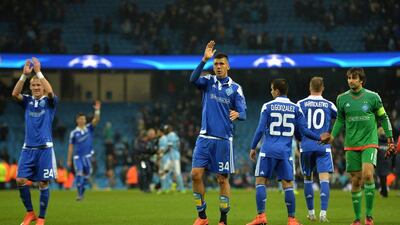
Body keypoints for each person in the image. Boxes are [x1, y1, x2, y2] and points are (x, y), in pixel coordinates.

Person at [246, 78, 330, 225]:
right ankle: (291, 219)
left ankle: (261, 217)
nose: (271, 92)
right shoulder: (295, 108)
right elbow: (302, 131)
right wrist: (319, 137)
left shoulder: (267, 106)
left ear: (277, 91)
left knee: (260, 181)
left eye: (272, 89)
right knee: (288, 184)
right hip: (285, 152)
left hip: (268, 150)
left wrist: (253, 147)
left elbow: (260, 129)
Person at [327, 68, 395, 225]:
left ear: (361, 80)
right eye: (349, 78)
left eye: (354, 78)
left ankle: (369, 217)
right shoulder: (342, 99)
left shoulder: (373, 97)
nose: (350, 80)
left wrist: (390, 138)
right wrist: (332, 136)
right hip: (351, 144)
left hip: (369, 141)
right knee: (356, 181)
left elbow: (383, 118)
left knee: (368, 175)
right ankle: (357, 219)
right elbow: (340, 120)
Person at [190, 40, 247, 225]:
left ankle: (223, 219)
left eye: (221, 63)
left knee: (222, 179)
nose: (218, 67)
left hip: (223, 139)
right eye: (215, 64)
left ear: (228, 66)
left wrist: (238, 113)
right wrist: (203, 60)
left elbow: (244, 113)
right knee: (195, 175)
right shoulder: (208, 81)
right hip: (204, 137)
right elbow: (192, 80)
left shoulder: (235, 88)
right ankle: (202, 216)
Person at [12, 57, 58, 225]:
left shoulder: (50, 102)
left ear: (43, 88)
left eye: (39, 85)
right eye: (34, 85)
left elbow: (51, 92)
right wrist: (24, 76)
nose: (36, 88)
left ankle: (41, 218)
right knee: (20, 180)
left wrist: (38, 72)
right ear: (30, 88)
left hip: (45, 148)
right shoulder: (28, 101)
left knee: (43, 183)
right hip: (28, 148)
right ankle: (30, 213)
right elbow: (15, 94)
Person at [296, 77, 337, 222]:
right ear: (323, 88)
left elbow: (295, 124)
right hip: (323, 146)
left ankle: (311, 213)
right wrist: (331, 135)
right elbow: (341, 119)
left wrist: (299, 139)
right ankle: (323, 215)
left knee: (308, 179)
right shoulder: (329, 104)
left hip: (306, 146)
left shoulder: (300, 104)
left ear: (309, 87)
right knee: (324, 179)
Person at [67, 101, 101, 200]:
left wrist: (97, 110)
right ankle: (79, 194)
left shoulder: (89, 128)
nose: (83, 120)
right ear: (77, 120)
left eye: (84, 118)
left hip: (88, 157)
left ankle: (81, 193)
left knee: (86, 176)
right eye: (81, 118)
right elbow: (70, 146)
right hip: (78, 157)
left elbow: (96, 120)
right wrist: (69, 160)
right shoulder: (73, 133)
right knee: (79, 173)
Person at [165, 125, 185, 192]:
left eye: (166, 129)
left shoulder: (171, 135)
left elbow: (169, 146)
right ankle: (171, 186)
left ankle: (181, 188)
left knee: (177, 172)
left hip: (173, 156)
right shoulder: (175, 135)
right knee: (167, 171)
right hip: (173, 155)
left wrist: (162, 153)